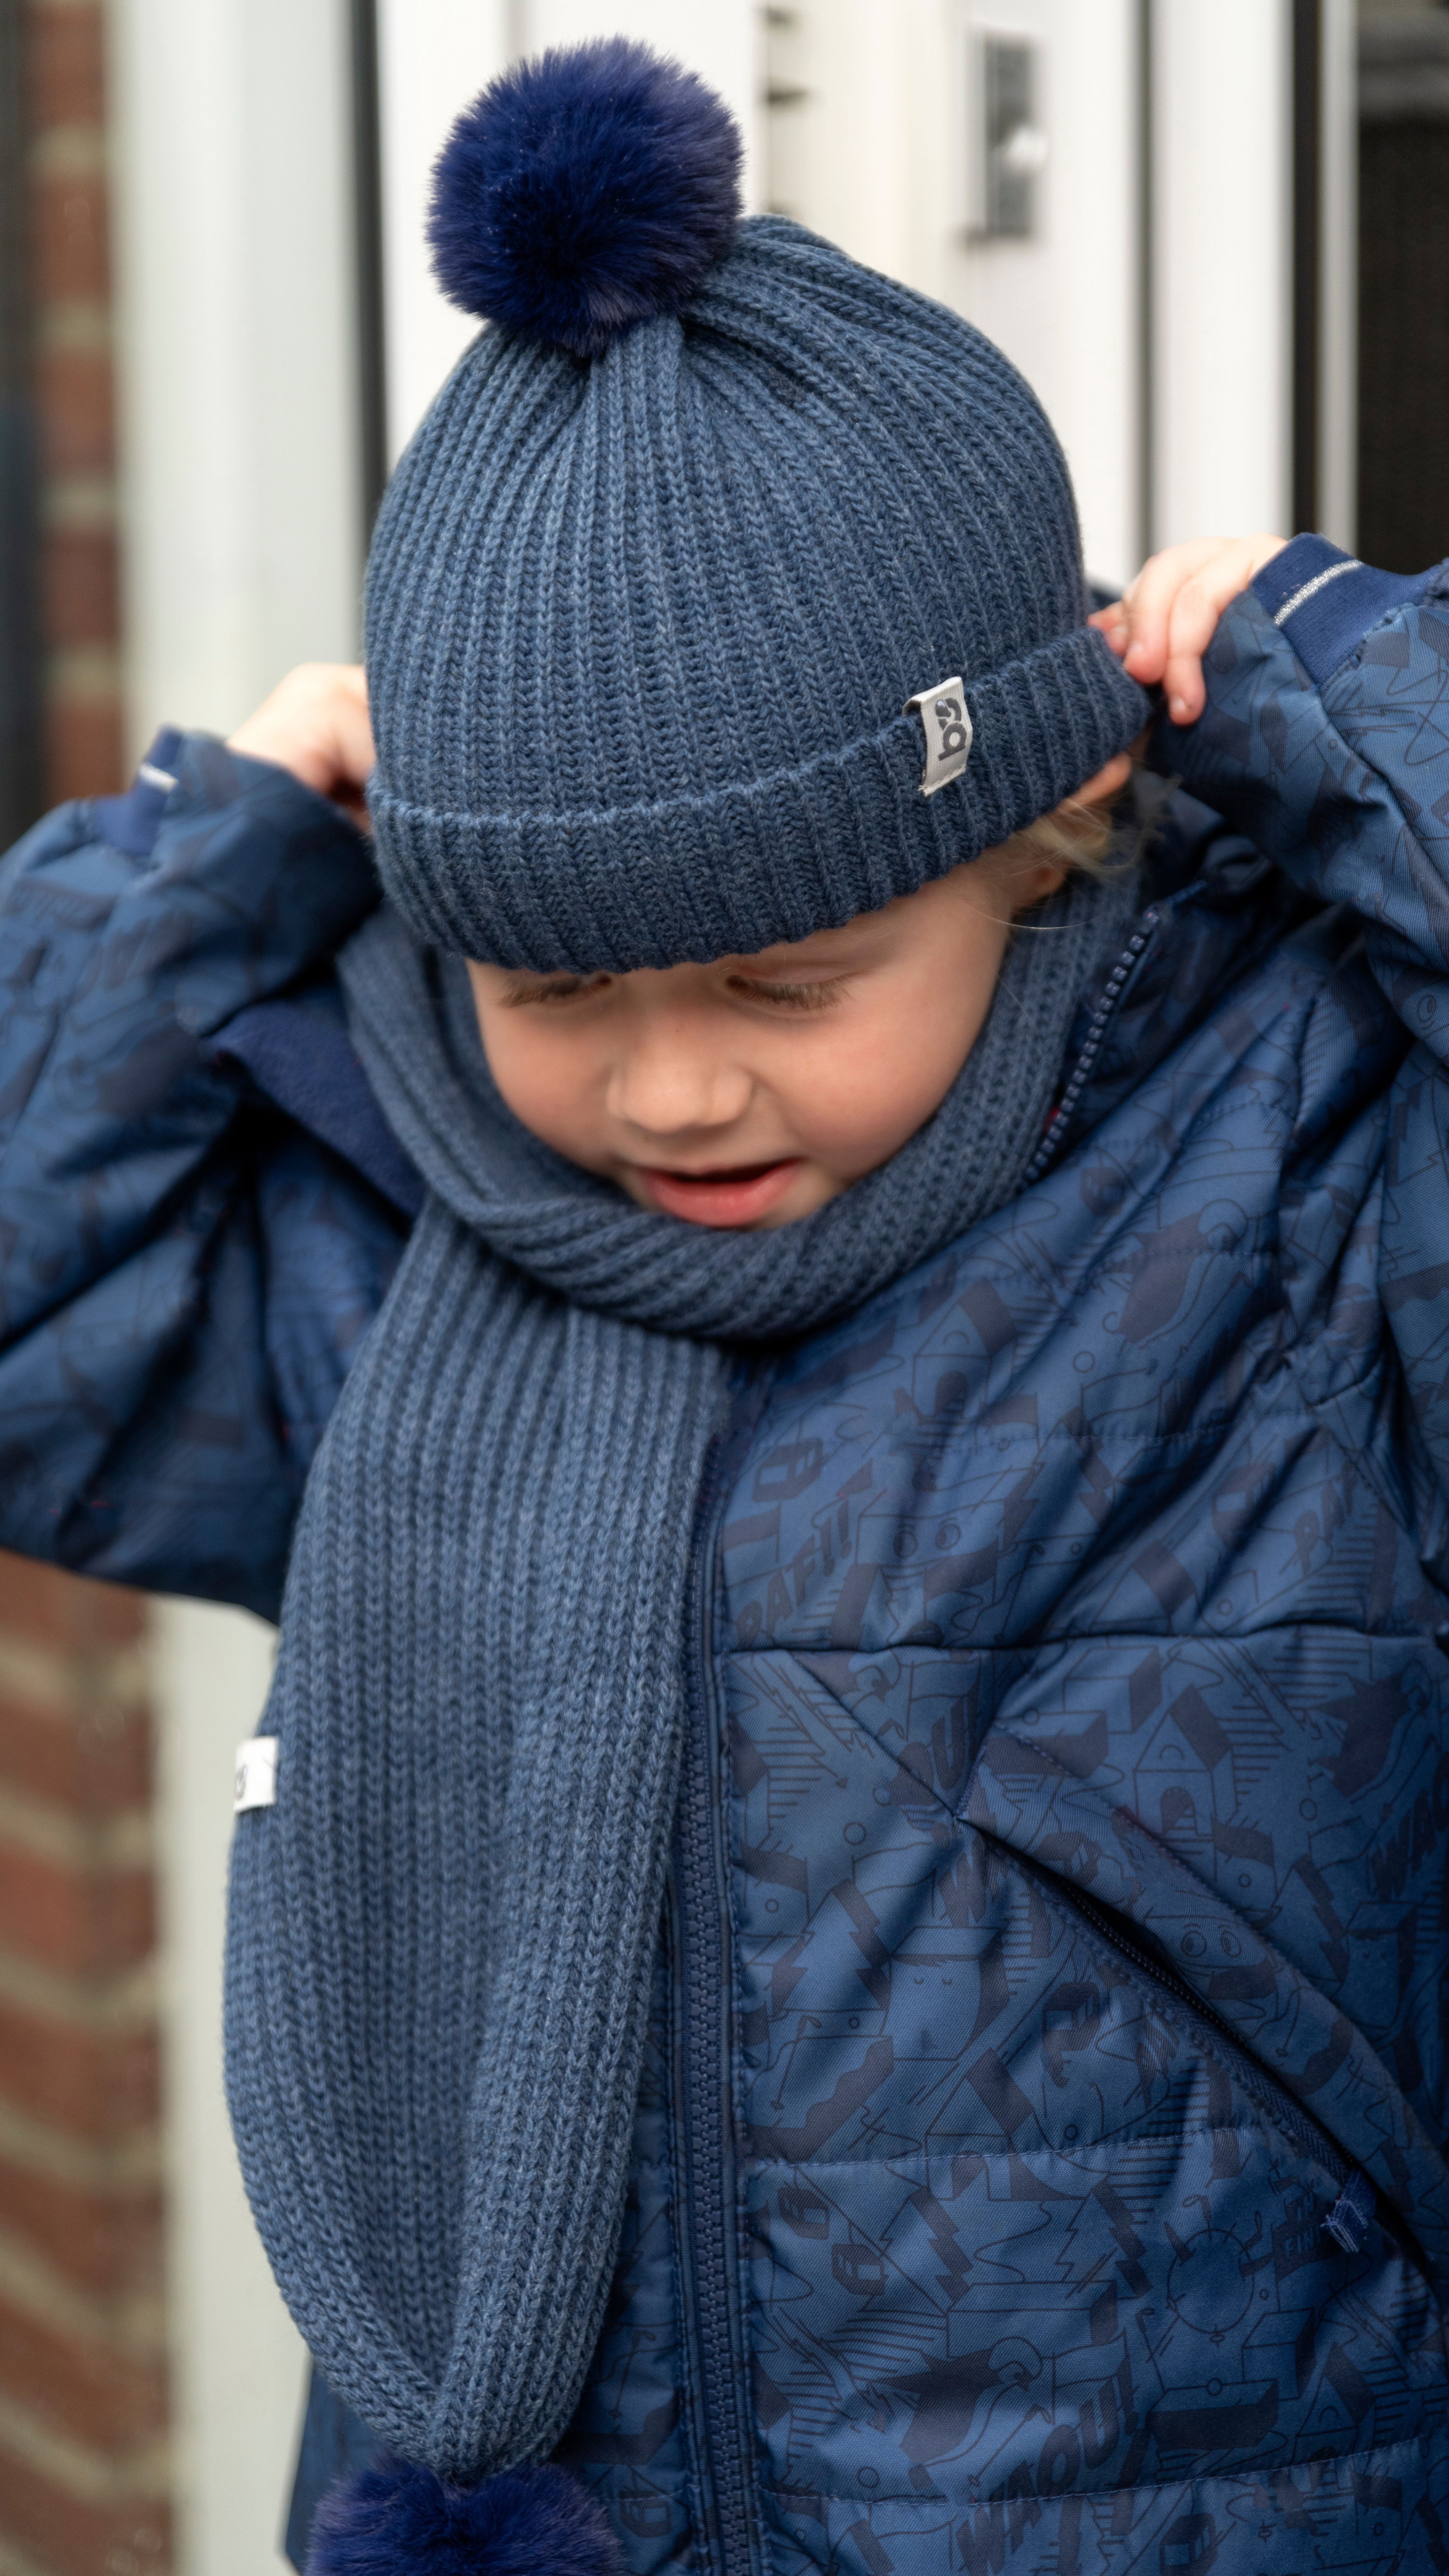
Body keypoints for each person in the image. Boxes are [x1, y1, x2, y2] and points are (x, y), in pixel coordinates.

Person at [2, 36, 1448, 2576]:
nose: (666, 1091)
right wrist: (203, 862)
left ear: (1043, 829)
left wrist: (1364, 705)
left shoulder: (1294, 1182)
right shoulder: (399, 1233)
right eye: (550, 989)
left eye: (786, 979)